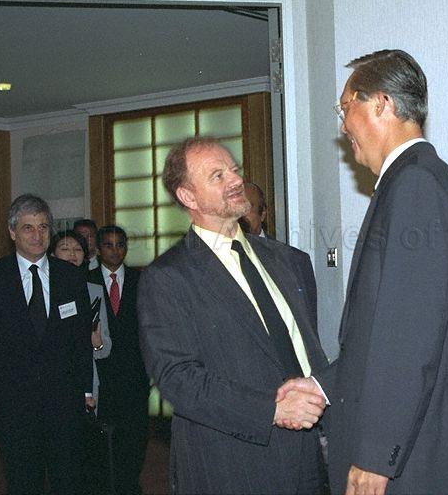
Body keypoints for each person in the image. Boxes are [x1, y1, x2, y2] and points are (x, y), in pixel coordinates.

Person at [279, 50, 448, 494]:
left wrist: (377, 456)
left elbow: (409, 339)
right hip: (421, 450)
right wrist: (322, 385)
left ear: (381, 103)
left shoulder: (415, 186)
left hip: (412, 465)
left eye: (346, 108)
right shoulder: (422, 181)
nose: (343, 127)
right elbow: (380, 341)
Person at [137, 136, 329, 494]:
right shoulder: (168, 277)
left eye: (235, 170)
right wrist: (271, 410)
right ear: (188, 197)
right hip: (230, 463)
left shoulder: (291, 262)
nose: (236, 180)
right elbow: (177, 379)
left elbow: (307, 352)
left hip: (308, 455)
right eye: (217, 175)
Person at [0, 194, 93, 494]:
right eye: (28, 228)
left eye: (43, 227)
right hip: (14, 402)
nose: (37, 235)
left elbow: (80, 340)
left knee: (69, 479)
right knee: (23, 479)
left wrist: (87, 389)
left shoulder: (70, 276)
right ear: (12, 232)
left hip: (64, 401)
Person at [88, 225, 150, 494]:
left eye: (120, 244)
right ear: (99, 249)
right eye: (109, 245)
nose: (115, 250)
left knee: (134, 434)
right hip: (99, 372)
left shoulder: (142, 280)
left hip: (135, 373)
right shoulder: (85, 279)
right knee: (98, 437)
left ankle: (129, 483)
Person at [49, 230, 112, 408]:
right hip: (48, 380)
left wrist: (97, 343)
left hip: (85, 382)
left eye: (77, 249)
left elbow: (105, 348)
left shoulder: (94, 291)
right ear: (52, 255)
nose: (72, 254)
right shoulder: (43, 290)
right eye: (65, 248)